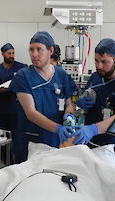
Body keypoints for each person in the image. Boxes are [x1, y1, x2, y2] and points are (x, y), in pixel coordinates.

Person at [73, 38, 115, 179]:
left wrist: (92, 129)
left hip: (114, 149)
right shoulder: (95, 77)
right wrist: (80, 103)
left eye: (104, 62)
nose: (99, 65)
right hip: (91, 145)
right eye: (96, 61)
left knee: (113, 190)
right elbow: (86, 96)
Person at [9, 31, 77, 163]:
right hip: (30, 141)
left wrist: (69, 116)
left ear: (50, 51)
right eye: (31, 50)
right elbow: (31, 113)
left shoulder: (61, 75)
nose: (34, 54)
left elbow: (69, 103)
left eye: (39, 49)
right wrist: (58, 129)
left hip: (55, 141)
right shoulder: (23, 76)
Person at [0, 43, 27, 134]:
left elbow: (27, 85)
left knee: (17, 135)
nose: (12, 56)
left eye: (13, 53)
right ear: (2, 54)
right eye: (9, 53)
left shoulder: (22, 68)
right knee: (2, 135)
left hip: (16, 109)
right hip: (1, 110)